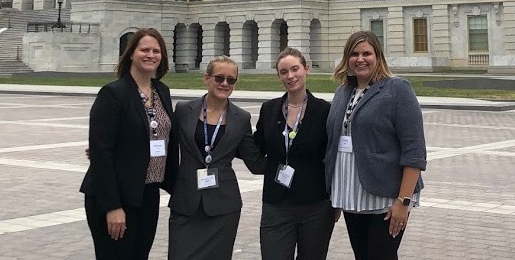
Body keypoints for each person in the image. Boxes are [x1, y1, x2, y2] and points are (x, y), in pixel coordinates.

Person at [325, 31, 427, 260]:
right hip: (351, 194)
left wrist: (403, 202)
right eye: (354, 54)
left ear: (378, 56)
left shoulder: (397, 89)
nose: (360, 59)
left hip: (387, 198)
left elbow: (414, 150)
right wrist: (333, 195)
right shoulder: (343, 92)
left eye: (366, 53)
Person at [80, 28, 178, 260]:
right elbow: (101, 153)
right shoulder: (113, 93)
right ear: (131, 54)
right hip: (117, 195)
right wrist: (112, 207)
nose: (150, 55)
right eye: (144, 49)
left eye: (156, 51)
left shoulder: (162, 91)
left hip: (148, 192)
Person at [169, 55, 266, 260]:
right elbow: (162, 141)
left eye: (231, 80)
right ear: (206, 78)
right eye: (219, 78)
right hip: (186, 202)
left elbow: (256, 163)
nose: (225, 84)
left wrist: (295, 157)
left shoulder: (241, 118)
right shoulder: (183, 110)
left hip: (224, 206)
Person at [254, 47, 334, 260]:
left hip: (315, 205)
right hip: (276, 204)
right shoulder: (269, 109)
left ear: (306, 69)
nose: (290, 76)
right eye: (283, 71)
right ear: (278, 75)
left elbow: (333, 157)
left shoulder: (325, 111)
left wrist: (337, 201)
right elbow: (256, 146)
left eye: (295, 69)